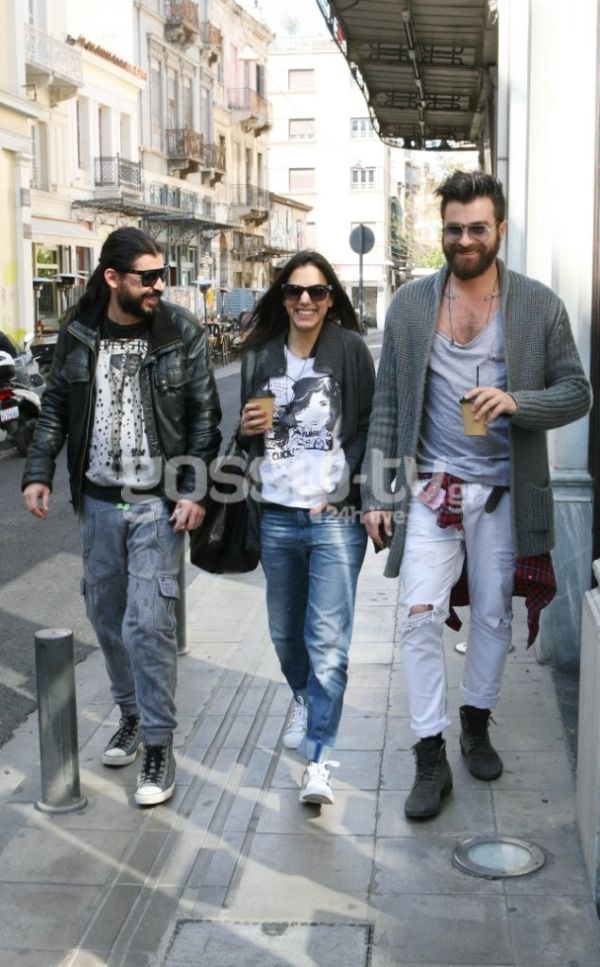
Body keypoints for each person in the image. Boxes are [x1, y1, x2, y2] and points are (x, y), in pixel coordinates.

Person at [362, 171, 592, 820]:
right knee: (418, 616)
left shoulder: (539, 306)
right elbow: (388, 401)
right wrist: (377, 489)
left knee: (493, 616)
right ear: (443, 231)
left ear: (500, 230)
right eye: (454, 229)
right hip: (431, 493)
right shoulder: (411, 305)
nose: (465, 240)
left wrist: (517, 402)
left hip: (503, 495)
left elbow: (577, 392)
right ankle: (428, 752)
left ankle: (476, 719)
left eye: (477, 229)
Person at [22, 227, 221, 807]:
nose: (160, 285)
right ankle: (131, 715)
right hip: (100, 501)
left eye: (163, 275)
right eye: (148, 276)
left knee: (148, 623)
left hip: (157, 501)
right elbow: (56, 406)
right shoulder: (79, 331)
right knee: (106, 616)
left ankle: (159, 743)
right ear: (113, 278)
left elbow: (204, 417)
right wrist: (39, 471)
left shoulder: (180, 331)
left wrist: (194, 490)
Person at [239, 251, 375, 805]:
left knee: (328, 642)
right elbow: (250, 436)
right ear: (283, 297)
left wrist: (347, 488)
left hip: (335, 517)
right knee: (283, 633)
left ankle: (319, 758)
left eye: (316, 292)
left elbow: (368, 424)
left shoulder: (349, 350)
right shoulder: (261, 354)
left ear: (330, 298)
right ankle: (303, 695)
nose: (305, 300)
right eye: (295, 290)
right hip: (276, 513)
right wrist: (247, 428)